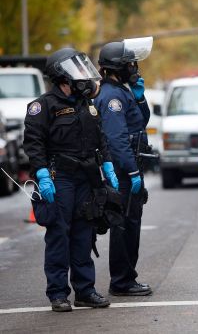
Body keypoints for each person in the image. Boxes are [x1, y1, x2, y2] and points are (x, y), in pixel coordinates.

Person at [23, 48, 118, 312]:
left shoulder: (85, 104)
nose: (84, 76)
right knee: (59, 236)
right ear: (62, 75)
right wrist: (42, 174)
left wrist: (107, 165)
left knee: (83, 235)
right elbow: (33, 144)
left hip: (85, 179)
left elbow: (100, 138)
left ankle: (85, 291)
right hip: (59, 178)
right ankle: (58, 294)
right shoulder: (42, 106)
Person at [94, 37, 154, 296]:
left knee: (131, 224)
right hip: (122, 172)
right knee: (124, 227)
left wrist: (140, 99)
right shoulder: (112, 97)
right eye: (130, 63)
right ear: (118, 67)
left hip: (130, 168)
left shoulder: (122, 91)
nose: (135, 67)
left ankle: (126, 277)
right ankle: (121, 281)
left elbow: (140, 122)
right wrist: (131, 172)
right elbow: (118, 140)